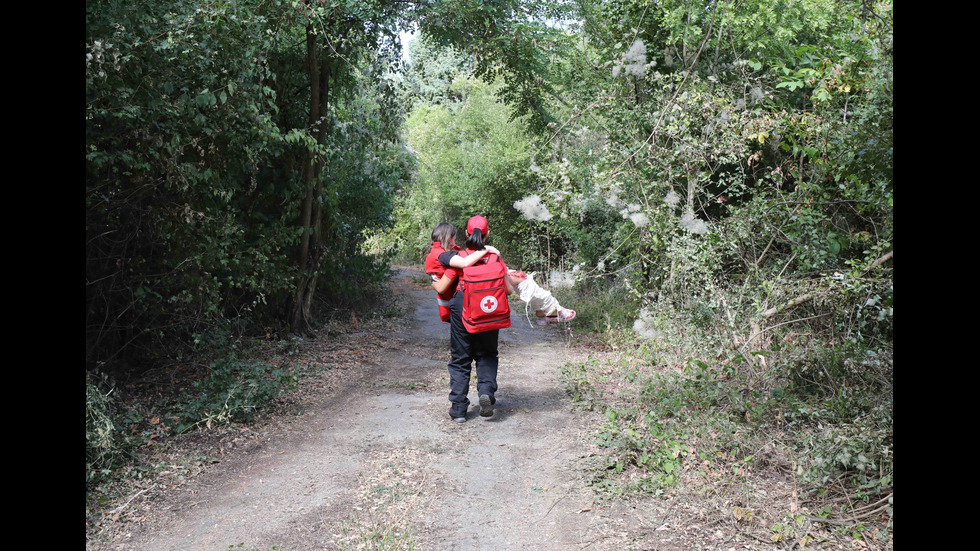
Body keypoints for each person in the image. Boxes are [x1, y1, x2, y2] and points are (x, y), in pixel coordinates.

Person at [432, 216, 510, 422]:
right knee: (487, 354)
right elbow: (509, 289)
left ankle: (458, 410)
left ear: (466, 234)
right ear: (487, 234)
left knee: (460, 358)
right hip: (490, 310)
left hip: (463, 308)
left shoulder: (460, 257)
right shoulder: (495, 257)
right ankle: (486, 392)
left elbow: (443, 285)